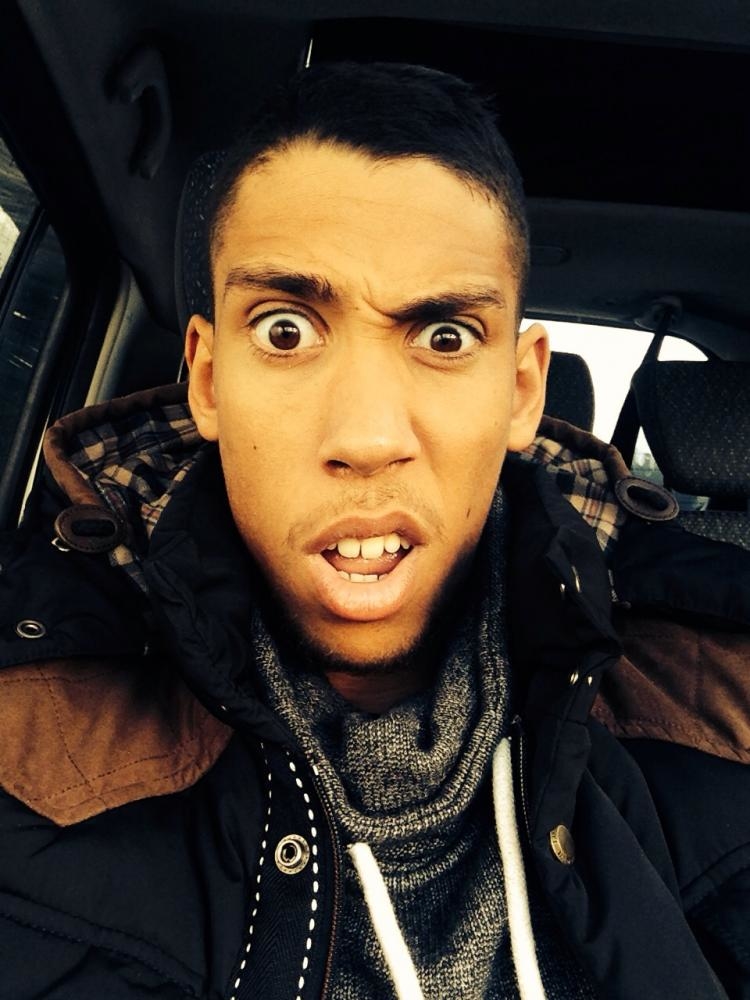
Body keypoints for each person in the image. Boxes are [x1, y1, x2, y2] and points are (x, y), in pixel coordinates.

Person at [0, 61, 748, 1000]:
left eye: (444, 338)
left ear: (522, 392)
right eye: (285, 331)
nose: (365, 438)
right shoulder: (22, 712)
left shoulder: (726, 694)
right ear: (207, 380)